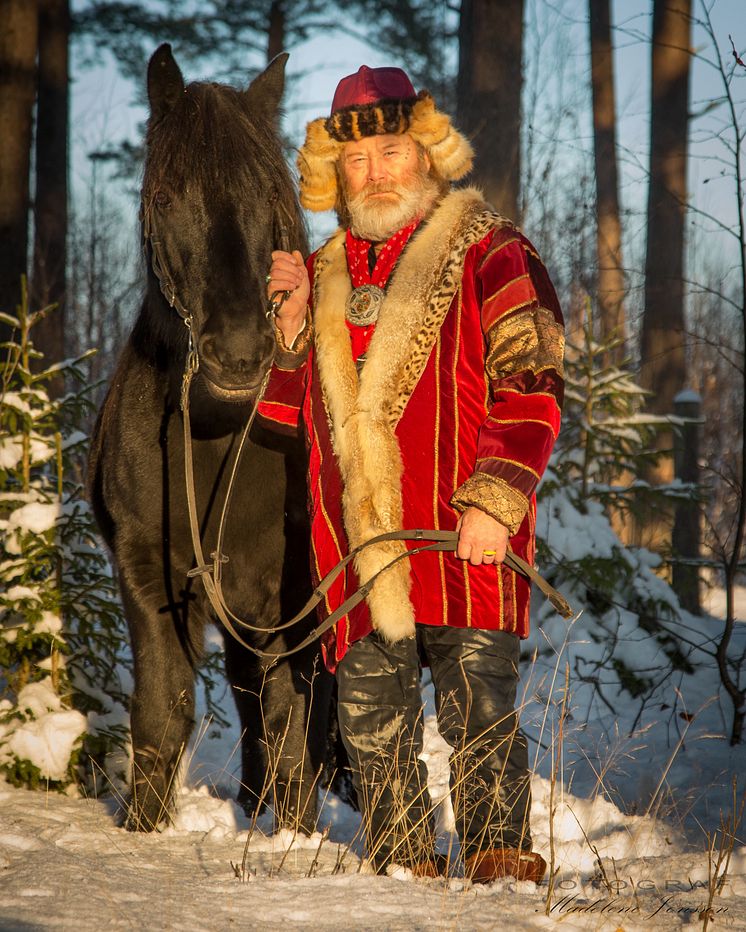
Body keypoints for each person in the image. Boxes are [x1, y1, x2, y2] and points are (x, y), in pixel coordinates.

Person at [259, 65, 564, 882]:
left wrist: (496, 503)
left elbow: (533, 387)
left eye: (390, 152)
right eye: (356, 162)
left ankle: (500, 869)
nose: (374, 173)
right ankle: (401, 868)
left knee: (479, 709)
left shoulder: (495, 253)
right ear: (335, 172)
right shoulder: (323, 271)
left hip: (463, 529)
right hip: (357, 547)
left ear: (427, 152)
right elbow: (288, 422)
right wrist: (288, 337)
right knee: (370, 719)